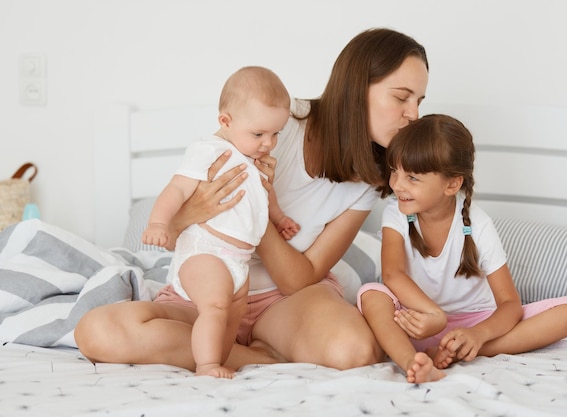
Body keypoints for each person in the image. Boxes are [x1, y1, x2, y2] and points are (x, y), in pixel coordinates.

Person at [75, 27, 436, 380]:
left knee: (353, 349)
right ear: (358, 89)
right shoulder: (275, 121)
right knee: (97, 331)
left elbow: (299, 278)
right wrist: (199, 213)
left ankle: (217, 347)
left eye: (418, 101)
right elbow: (173, 231)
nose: (413, 115)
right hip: (206, 291)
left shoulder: (368, 181)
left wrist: (255, 207)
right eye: (401, 97)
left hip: (284, 301)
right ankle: (254, 357)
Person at [357, 114, 567, 383]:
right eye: (395, 171)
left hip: (476, 324)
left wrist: (478, 335)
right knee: (372, 294)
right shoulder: (396, 212)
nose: (397, 185)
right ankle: (413, 361)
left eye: (413, 178)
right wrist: (433, 315)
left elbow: (510, 305)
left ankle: (465, 351)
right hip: (419, 325)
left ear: (452, 184)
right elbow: (393, 274)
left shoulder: (478, 225)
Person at [140, 66, 299, 378]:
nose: (268, 143)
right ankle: (206, 365)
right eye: (259, 134)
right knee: (214, 308)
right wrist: (159, 222)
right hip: (206, 252)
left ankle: (223, 357)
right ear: (226, 121)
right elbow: (176, 189)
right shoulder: (210, 150)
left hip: (238, 262)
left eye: (275, 134)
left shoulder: (253, 159)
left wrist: (279, 218)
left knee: (230, 319)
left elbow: (264, 198)